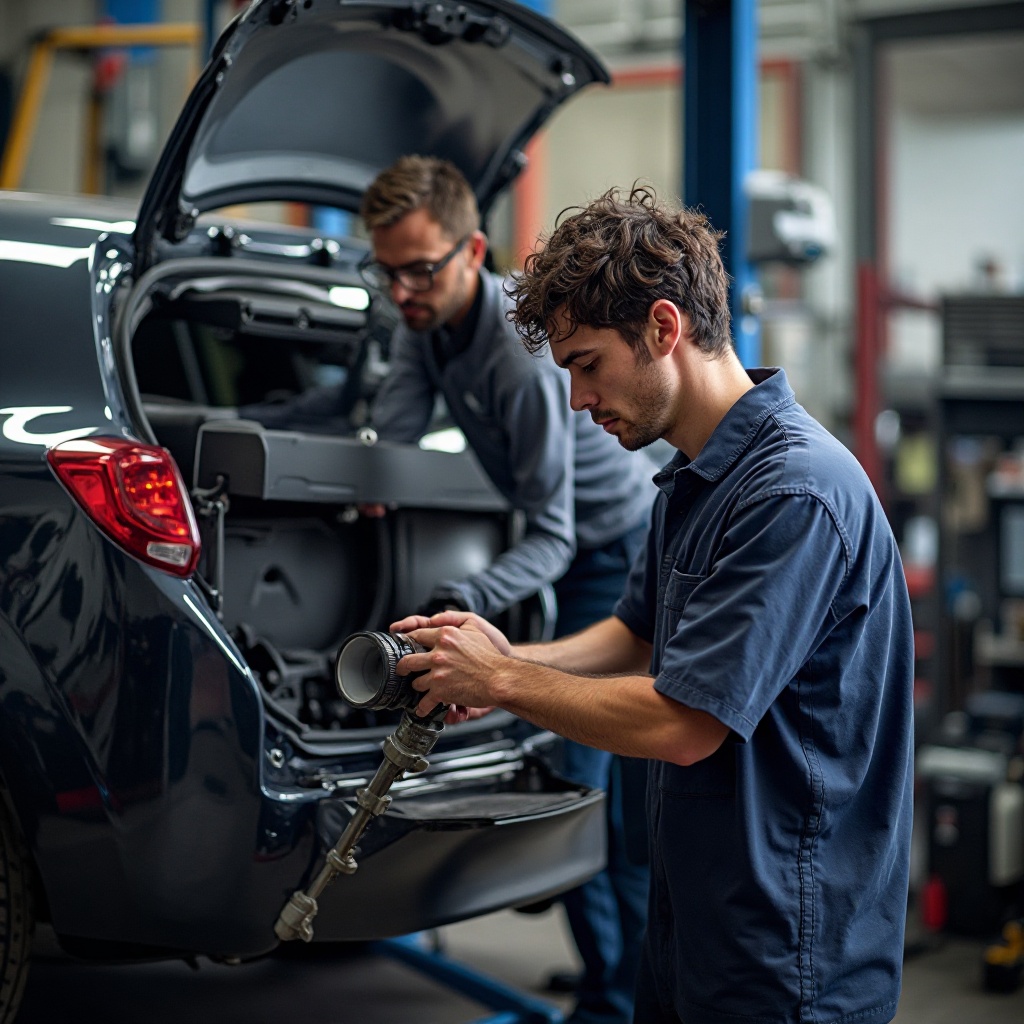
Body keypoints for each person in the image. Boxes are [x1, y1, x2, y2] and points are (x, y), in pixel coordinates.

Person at [390, 186, 916, 1024]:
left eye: (587, 364)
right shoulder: (688, 480)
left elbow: (682, 723)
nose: (576, 401)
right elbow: (635, 638)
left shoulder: (793, 493)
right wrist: (499, 655)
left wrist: (504, 684)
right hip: (696, 919)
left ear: (665, 329)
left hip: (788, 947)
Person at [360, 156, 655, 1024]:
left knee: (585, 784)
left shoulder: (521, 357)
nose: (404, 291)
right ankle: (610, 971)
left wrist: (464, 593)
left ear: (473, 250)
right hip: (567, 550)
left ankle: (617, 998)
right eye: (388, 273)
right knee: (572, 776)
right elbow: (394, 435)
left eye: (421, 270)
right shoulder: (424, 327)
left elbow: (556, 535)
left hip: (617, 549)